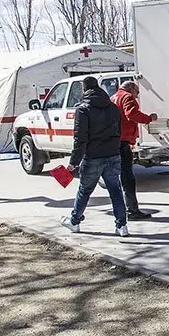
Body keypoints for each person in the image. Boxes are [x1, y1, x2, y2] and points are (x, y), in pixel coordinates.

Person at [61, 77, 129, 237]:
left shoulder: (83, 109)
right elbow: (119, 131)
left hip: (93, 156)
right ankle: (122, 226)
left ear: (84, 89)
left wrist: (73, 162)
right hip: (112, 154)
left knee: (84, 190)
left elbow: (80, 138)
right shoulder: (112, 108)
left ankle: (75, 221)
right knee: (116, 190)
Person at [110, 81, 158, 221]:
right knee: (128, 178)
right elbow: (131, 114)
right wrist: (149, 118)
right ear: (131, 89)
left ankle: (123, 209)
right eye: (137, 92)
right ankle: (132, 210)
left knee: (118, 177)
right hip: (123, 141)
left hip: (115, 140)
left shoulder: (113, 97)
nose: (137, 96)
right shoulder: (127, 97)